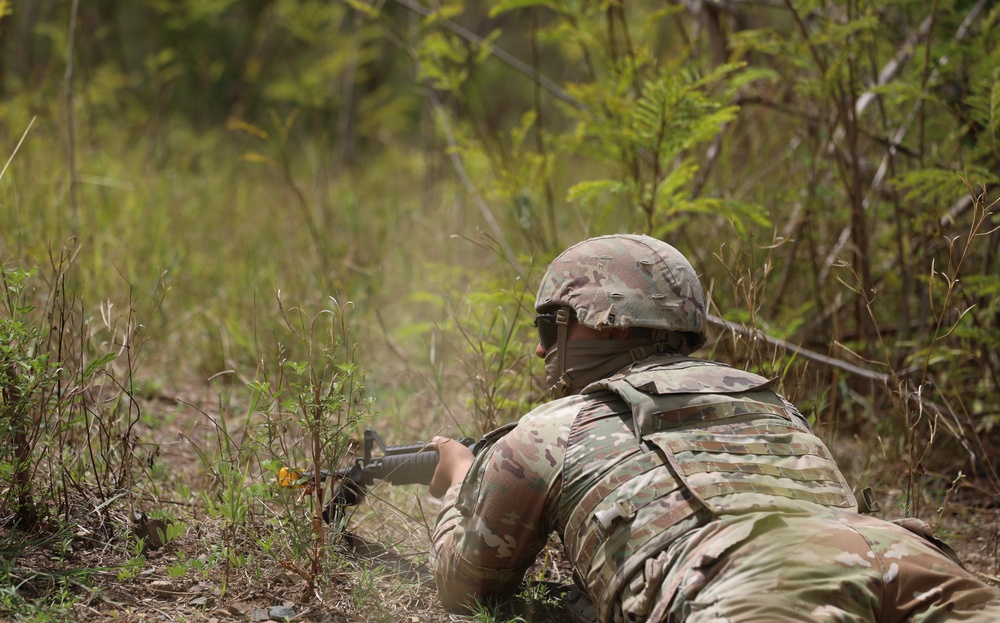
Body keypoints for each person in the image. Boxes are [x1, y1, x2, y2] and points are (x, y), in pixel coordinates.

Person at [427, 234, 1000, 623]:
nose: (539, 348)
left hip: (755, 575)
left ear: (598, 325)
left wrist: (457, 482)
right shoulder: (770, 400)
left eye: (550, 327)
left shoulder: (557, 425)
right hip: (904, 554)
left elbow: (467, 587)